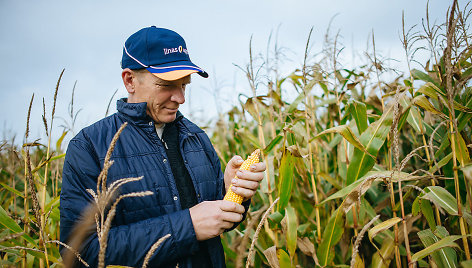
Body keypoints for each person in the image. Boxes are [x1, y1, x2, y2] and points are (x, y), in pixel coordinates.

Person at [60, 26, 266, 268]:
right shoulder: (89, 147)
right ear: (130, 80)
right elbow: (78, 253)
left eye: (184, 85)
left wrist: (230, 191)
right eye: (167, 85)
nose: (180, 98)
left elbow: (214, 221)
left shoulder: (195, 137)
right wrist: (187, 227)